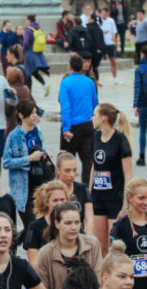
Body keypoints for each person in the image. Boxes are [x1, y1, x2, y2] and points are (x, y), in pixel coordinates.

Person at [89, 102, 133, 255]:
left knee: (114, 245)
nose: (91, 118)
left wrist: (125, 205)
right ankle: (103, 277)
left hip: (115, 199)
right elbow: (94, 167)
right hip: (98, 198)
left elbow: (129, 175)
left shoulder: (120, 140)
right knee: (100, 244)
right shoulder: (95, 136)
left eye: (94, 115)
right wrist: (89, 195)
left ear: (102, 118)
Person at [36, 202, 104, 289]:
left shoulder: (92, 244)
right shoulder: (45, 253)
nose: (74, 227)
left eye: (77, 222)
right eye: (68, 223)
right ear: (57, 224)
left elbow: (99, 281)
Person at [3, 100, 48, 229]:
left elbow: (42, 148)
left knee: (41, 225)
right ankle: (22, 240)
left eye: (36, 112)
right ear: (21, 115)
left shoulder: (38, 131)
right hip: (23, 188)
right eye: (31, 113)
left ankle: (21, 239)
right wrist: (28, 158)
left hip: (40, 184)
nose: (35, 115)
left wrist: (46, 154)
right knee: (31, 225)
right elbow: (6, 162)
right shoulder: (14, 136)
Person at [59, 56, 98, 184]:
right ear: (81, 67)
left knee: (66, 159)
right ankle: (87, 189)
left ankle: (64, 187)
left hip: (72, 126)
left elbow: (65, 107)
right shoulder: (89, 81)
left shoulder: (65, 82)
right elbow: (94, 103)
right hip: (87, 125)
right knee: (88, 159)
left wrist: (66, 128)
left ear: (70, 66)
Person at [24, 181, 71, 267]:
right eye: (55, 200)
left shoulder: (73, 224)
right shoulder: (34, 228)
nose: (59, 204)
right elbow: (33, 263)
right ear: (46, 202)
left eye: (62, 200)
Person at [56, 151, 95, 236]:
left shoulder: (83, 188)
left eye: (74, 170)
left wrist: (86, 240)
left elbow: (90, 219)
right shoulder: (51, 190)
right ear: (58, 170)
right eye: (67, 171)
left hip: (78, 235)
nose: (72, 175)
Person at [22, 15, 51, 97]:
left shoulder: (28, 30)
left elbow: (26, 42)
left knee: (28, 73)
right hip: (38, 52)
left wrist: (23, 49)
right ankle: (44, 84)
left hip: (29, 53)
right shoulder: (40, 28)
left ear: (28, 20)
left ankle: (29, 92)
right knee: (34, 72)